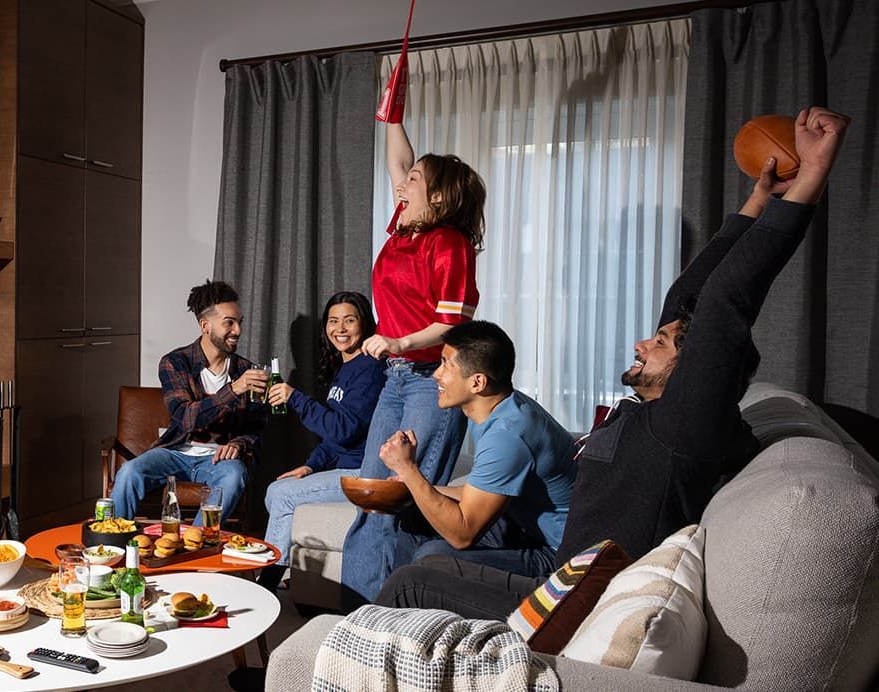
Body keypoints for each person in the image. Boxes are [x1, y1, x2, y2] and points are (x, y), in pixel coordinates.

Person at [376, 106, 851, 618]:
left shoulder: (681, 427)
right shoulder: (654, 413)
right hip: (554, 553)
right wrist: (757, 201)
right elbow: (688, 297)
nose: (641, 345)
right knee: (422, 541)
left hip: (575, 591)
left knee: (410, 584)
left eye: (661, 344)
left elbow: (725, 302)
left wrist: (815, 175)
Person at [341, 118, 487, 608]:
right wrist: (392, 116)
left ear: (439, 198)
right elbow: (398, 161)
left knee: (405, 501)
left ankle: (398, 618)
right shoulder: (404, 228)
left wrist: (398, 341)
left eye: (415, 180)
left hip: (432, 381)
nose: (402, 184)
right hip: (398, 379)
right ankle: (352, 618)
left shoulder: (449, 244)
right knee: (371, 494)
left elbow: (453, 326)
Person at [373, 320, 577, 582]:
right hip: (522, 527)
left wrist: (408, 468)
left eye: (447, 365)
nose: (436, 374)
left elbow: (462, 534)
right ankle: (395, 611)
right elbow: (476, 495)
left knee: (433, 557)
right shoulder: (498, 411)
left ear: (477, 382)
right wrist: (409, 486)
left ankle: (401, 608)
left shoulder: (507, 434)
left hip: (556, 554)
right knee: (413, 511)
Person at [110, 280, 269, 523]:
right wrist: (234, 389)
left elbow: (257, 427)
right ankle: (116, 544)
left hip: (218, 459)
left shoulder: (246, 370)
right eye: (229, 322)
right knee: (129, 472)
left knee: (234, 477)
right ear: (205, 325)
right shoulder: (175, 362)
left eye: (239, 322)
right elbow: (184, 417)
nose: (237, 330)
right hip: (175, 451)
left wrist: (239, 443)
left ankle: (194, 544)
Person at [257, 292, 384, 588]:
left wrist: (296, 399)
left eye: (349, 320)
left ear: (364, 325)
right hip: (345, 467)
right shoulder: (345, 368)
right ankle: (279, 573)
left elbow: (344, 430)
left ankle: (268, 580)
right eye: (333, 321)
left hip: (362, 473)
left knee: (282, 495)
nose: (340, 328)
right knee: (277, 489)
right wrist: (311, 466)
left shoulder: (370, 369)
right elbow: (334, 435)